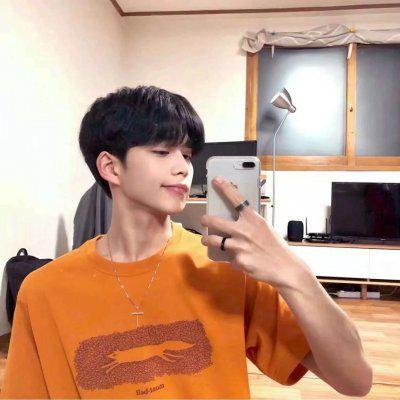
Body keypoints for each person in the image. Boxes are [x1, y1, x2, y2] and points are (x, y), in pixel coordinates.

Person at [1, 86, 372, 398]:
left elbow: (355, 381)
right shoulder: (44, 290)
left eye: (188, 154)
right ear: (111, 167)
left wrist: (294, 274)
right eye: (162, 152)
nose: (183, 167)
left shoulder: (227, 269)